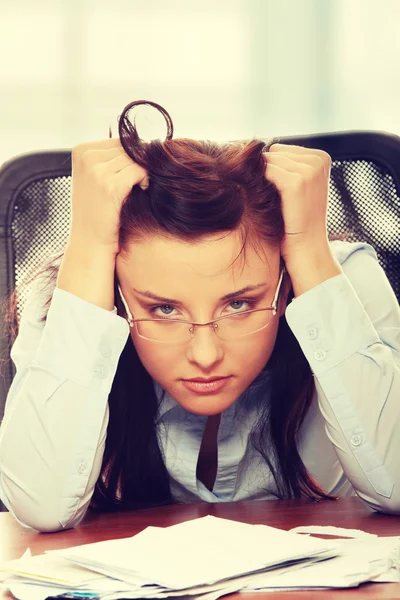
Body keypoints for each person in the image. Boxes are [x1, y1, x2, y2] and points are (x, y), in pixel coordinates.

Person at [0, 100, 399, 533]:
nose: (206, 355)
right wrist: (91, 251)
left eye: (239, 304)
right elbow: (43, 507)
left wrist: (308, 254)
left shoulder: (339, 281)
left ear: (283, 285)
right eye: (163, 309)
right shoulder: (78, 292)